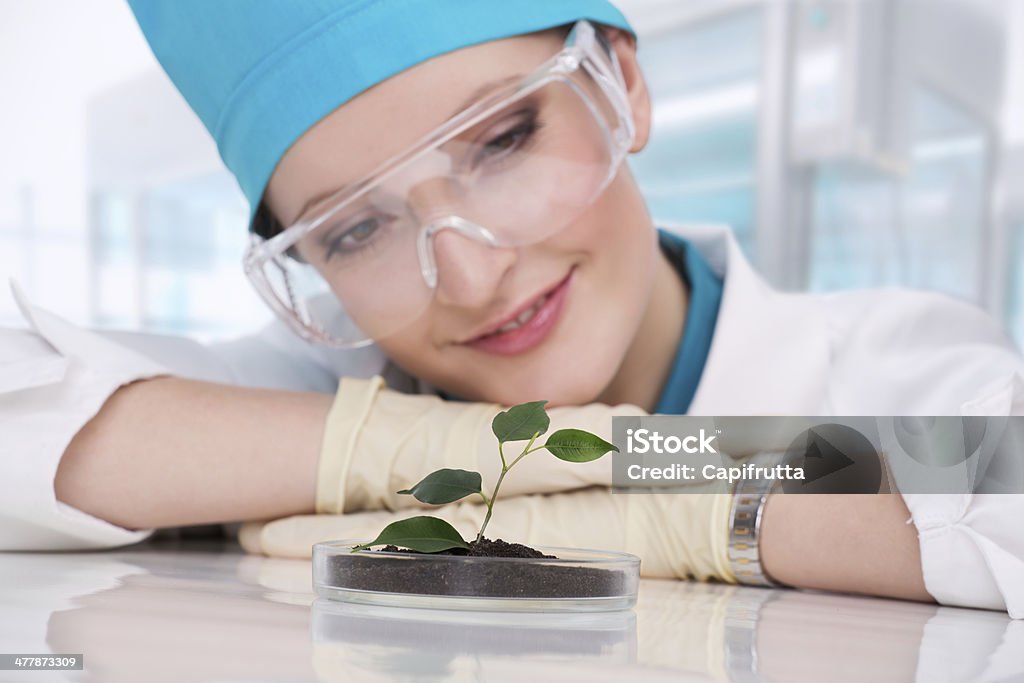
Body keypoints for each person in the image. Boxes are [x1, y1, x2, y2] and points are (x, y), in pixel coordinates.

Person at [1, 0, 1022, 617]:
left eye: (500, 142)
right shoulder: (320, 390)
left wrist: (668, 500)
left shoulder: (893, 358)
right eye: (357, 230)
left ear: (621, 80)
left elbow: (998, 476)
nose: (472, 275)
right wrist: (452, 449)